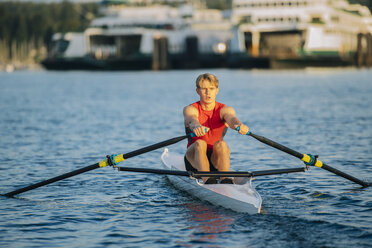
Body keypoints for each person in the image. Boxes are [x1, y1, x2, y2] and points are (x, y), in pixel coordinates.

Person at [183, 73, 249, 184]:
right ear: (197, 91)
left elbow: (232, 119)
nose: (208, 93)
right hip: (194, 160)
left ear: (217, 90)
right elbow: (192, 119)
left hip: (216, 160)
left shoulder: (224, 109)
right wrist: (196, 126)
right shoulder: (190, 109)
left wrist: (239, 125)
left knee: (221, 144)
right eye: (204, 89)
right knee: (200, 143)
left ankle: (225, 180)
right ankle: (208, 180)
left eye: (211, 89)